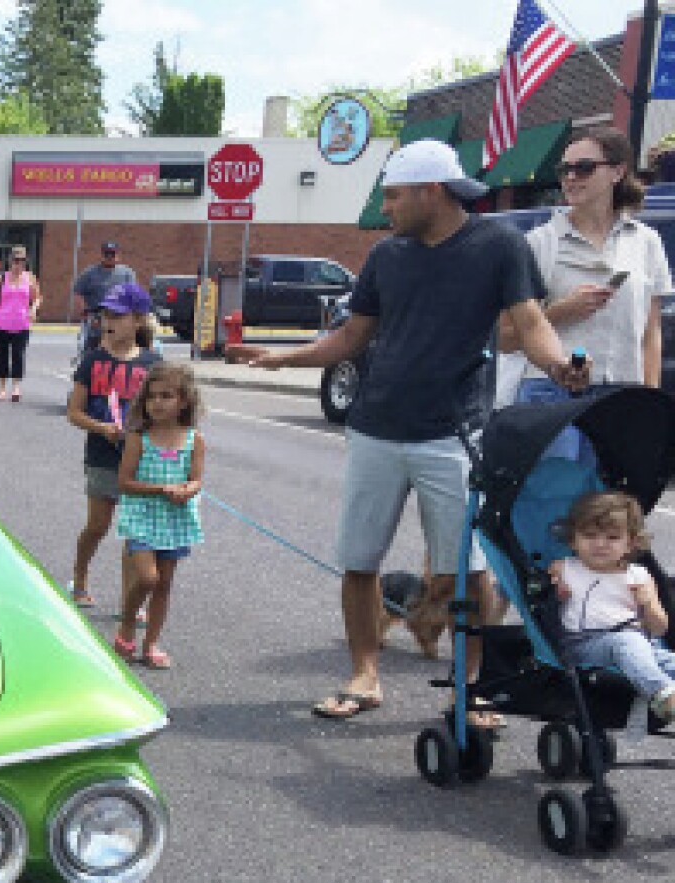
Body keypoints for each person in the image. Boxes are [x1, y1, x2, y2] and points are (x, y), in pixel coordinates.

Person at [226, 139, 584, 722]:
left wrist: (560, 367)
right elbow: (351, 338)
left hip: (454, 433)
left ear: (431, 191)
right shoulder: (386, 256)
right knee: (359, 559)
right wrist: (282, 359)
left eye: (393, 196)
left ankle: (471, 688)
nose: (385, 208)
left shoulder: (498, 245)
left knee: (465, 570)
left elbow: (530, 323)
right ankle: (364, 676)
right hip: (375, 428)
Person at [499, 127, 671, 426]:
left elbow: (650, 333)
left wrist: (650, 401)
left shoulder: (646, 242)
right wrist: (562, 311)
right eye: (564, 169)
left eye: (584, 168)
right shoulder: (538, 243)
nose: (571, 177)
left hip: (623, 394)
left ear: (617, 172)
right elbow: (504, 338)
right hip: (549, 393)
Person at [66, 282, 157, 611]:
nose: (109, 321)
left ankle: (129, 601)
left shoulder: (152, 364)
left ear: (138, 320)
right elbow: (74, 413)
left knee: (134, 534)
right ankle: (79, 577)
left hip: (140, 462)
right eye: (106, 315)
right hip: (102, 457)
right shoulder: (92, 361)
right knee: (98, 526)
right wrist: (102, 428)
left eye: (118, 316)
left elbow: (163, 411)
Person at [110, 362, 204, 670]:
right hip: (141, 515)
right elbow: (124, 482)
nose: (157, 403)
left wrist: (188, 490)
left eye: (166, 396)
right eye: (152, 396)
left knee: (163, 584)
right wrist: (161, 489)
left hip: (174, 518)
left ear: (184, 401)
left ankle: (150, 643)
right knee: (147, 578)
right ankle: (127, 624)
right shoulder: (139, 437)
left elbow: (196, 480)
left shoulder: (193, 439)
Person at [551, 491, 675, 721]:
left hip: (640, 643)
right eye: (590, 536)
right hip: (584, 643)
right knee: (626, 642)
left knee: (664, 658)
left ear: (631, 543)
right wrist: (554, 591)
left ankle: (667, 691)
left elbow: (659, 628)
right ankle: (661, 694)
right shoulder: (564, 568)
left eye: (612, 538)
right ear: (573, 540)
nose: (600, 544)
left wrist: (648, 603)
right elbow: (539, 595)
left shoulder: (639, 576)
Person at [0, 244, 40, 402]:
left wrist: (33, 309)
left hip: (22, 324)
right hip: (1, 323)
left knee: (18, 355)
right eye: (15, 260)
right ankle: (1, 388)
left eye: (21, 261)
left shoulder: (30, 278)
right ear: (10, 261)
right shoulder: (0, 278)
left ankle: (16, 387)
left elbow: (37, 298)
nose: (18, 264)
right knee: (2, 355)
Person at [72, 241, 138, 361]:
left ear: (118, 255)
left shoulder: (127, 273)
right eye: (106, 254)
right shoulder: (90, 273)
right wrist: (85, 312)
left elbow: (132, 295)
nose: (109, 257)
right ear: (101, 255)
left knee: (120, 348)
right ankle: (87, 365)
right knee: (91, 346)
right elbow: (78, 292)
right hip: (96, 317)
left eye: (112, 254)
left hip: (119, 317)